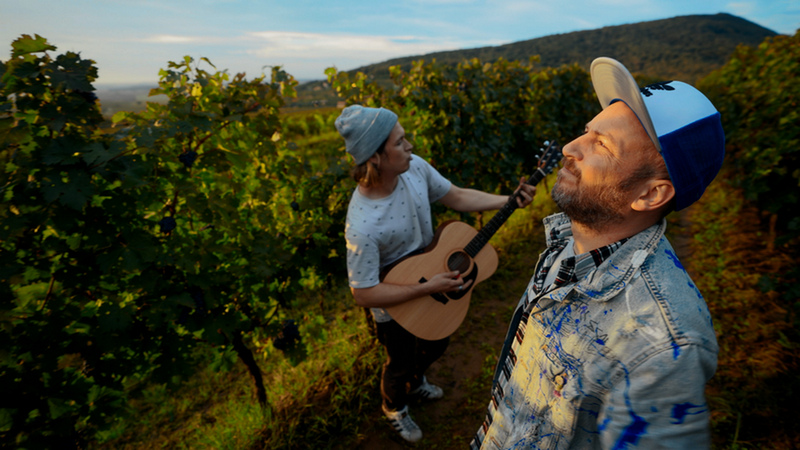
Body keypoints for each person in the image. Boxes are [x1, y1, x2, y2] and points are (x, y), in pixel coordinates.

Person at [470, 57, 724, 449]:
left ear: (651, 194)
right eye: (589, 131)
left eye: (601, 144)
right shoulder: (573, 241)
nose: (572, 147)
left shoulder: (662, 341)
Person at [336, 105, 536, 443]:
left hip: (435, 286)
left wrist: (509, 200)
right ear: (375, 159)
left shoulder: (414, 170)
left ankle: (417, 381)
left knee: (436, 344)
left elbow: (456, 196)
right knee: (398, 363)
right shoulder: (363, 225)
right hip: (394, 306)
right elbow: (364, 293)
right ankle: (394, 406)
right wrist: (423, 289)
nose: (410, 146)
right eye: (400, 143)